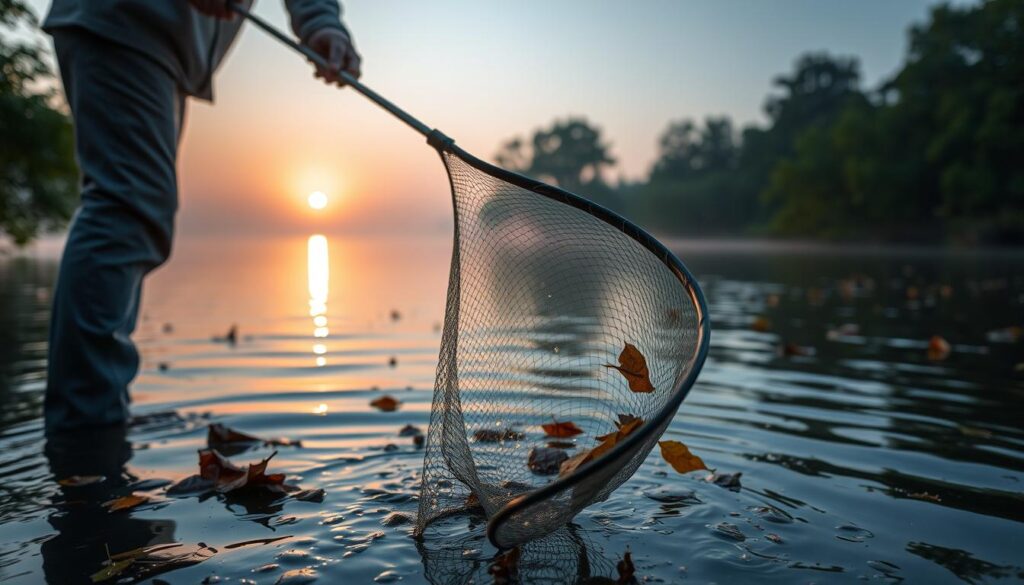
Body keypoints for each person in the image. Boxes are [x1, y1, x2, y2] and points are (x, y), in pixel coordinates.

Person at [41, 0, 361, 433]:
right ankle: (85, 428)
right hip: (126, 20)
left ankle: (95, 415)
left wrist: (324, 24)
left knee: (133, 210)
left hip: (162, 47)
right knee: (127, 209)